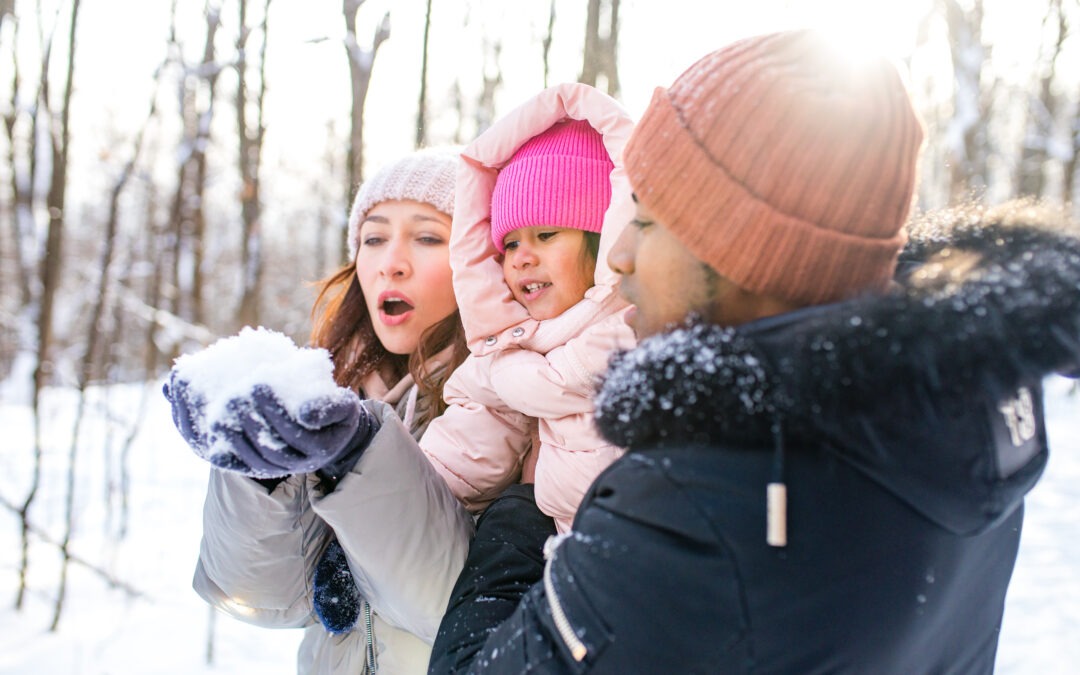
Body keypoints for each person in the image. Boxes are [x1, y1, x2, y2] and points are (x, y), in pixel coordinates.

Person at [428, 29, 1080, 673]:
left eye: (649, 222)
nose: (620, 253)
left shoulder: (699, 504)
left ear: (744, 253)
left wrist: (515, 520)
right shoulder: (971, 404)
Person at [165, 148, 476, 674]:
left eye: (427, 237)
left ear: (475, 260)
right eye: (374, 238)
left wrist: (358, 456)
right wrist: (259, 473)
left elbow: (451, 607)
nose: (390, 261)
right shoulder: (345, 387)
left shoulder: (510, 403)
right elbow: (265, 598)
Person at [420, 87, 636, 534]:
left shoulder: (639, 330)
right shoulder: (509, 352)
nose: (521, 257)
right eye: (511, 243)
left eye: (547, 234)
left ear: (603, 240)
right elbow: (453, 465)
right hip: (566, 564)